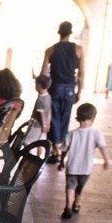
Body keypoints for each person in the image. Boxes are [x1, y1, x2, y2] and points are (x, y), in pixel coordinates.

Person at [41, 20, 82, 167]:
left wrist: (41, 90)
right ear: (70, 33)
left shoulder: (50, 50)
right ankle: (60, 148)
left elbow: (44, 73)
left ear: (59, 32)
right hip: (70, 88)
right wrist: (79, 91)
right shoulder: (78, 49)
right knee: (65, 118)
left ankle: (55, 150)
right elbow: (81, 74)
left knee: (53, 118)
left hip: (55, 87)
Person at [59, 101, 108, 219]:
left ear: (77, 118)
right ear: (93, 118)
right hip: (86, 168)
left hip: (72, 166)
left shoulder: (71, 134)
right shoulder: (96, 133)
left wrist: (61, 161)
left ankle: (68, 207)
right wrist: (106, 159)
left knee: (70, 187)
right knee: (80, 187)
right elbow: (102, 147)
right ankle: (77, 204)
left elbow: (64, 149)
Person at [28, 74, 51, 144]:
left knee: (26, 140)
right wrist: (48, 123)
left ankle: (29, 153)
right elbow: (50, 111)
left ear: (39, 85)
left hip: (36, 124)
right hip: (45, 123)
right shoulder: (48, 96)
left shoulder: (40, 99)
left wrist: (43, 125)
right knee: (40, 142)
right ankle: (40, 154)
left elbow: (42, 113)